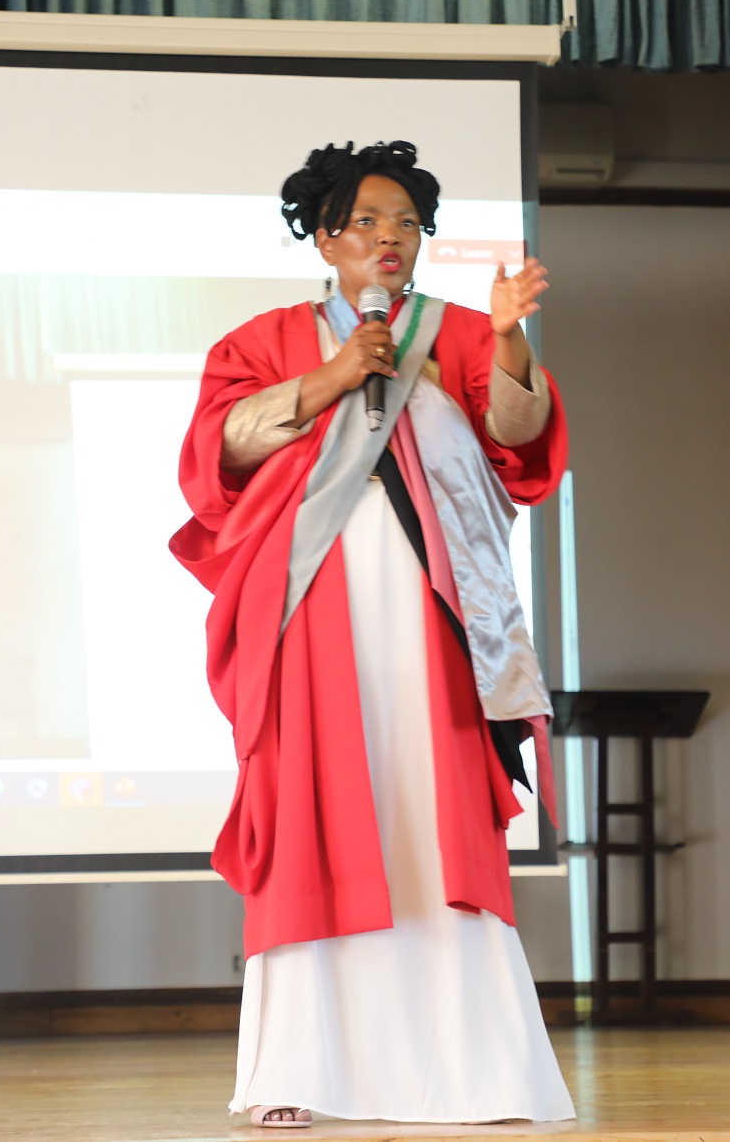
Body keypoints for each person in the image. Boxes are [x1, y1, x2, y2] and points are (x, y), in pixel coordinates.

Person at [170, 140, 573, 1128]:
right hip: (309, 608)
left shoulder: (463, 334)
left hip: (435, 613)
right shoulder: (262, 340)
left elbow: (518, 441)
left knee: (430, 814)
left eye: (405, 225)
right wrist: (334, 374)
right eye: (366, 224)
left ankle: (475, 1074)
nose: (388, 241)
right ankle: (298, 1075)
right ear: (324, 236)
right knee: (317, 813)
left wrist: (513, 342)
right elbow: (219, 451)